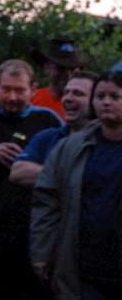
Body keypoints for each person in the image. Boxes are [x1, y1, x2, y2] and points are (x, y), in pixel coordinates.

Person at [0, 60, 60, 300]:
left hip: (30, 230)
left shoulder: (48, 121)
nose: (12, 97)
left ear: (33, 89)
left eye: (20, 90)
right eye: (6, 89)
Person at [30, 71, 122, 299]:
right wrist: (41, 251)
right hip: (83, 268)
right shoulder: (70, 147)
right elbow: (47, 200)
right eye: (100, 96)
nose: (106, 102)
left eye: (115, 96)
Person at [10, 71, 97, 187]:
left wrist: (44, 173)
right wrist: (72, 174)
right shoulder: (47, 137)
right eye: (66, 92)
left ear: (96, 101)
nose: (68, 98)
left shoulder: (107, 140)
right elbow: (18, 173)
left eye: (78, 93)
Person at [30, 39, 82, 119]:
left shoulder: (87, 104)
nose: (68, 76)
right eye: (61, 68)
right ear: (46, 68)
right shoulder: (31, 100)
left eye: (72, 69)